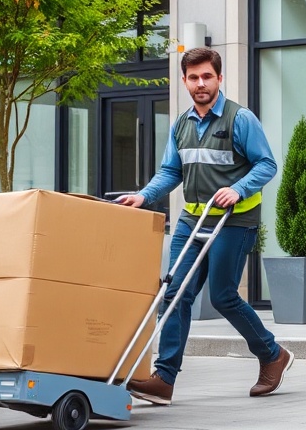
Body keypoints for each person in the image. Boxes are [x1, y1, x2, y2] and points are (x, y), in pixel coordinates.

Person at [119, 47, 293, 405]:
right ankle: (164, 379)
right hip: (191, 219)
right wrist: (144, 196)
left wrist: (238, 188)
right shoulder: (181, 125)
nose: (201, 84)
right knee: (174, 293)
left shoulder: (239, 119)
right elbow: (171, 171)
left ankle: (273, 354)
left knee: (223, 296)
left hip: (234, 220)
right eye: (194, 77)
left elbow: (266, 164)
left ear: (219, 78)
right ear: (184, 81)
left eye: (207, 76)